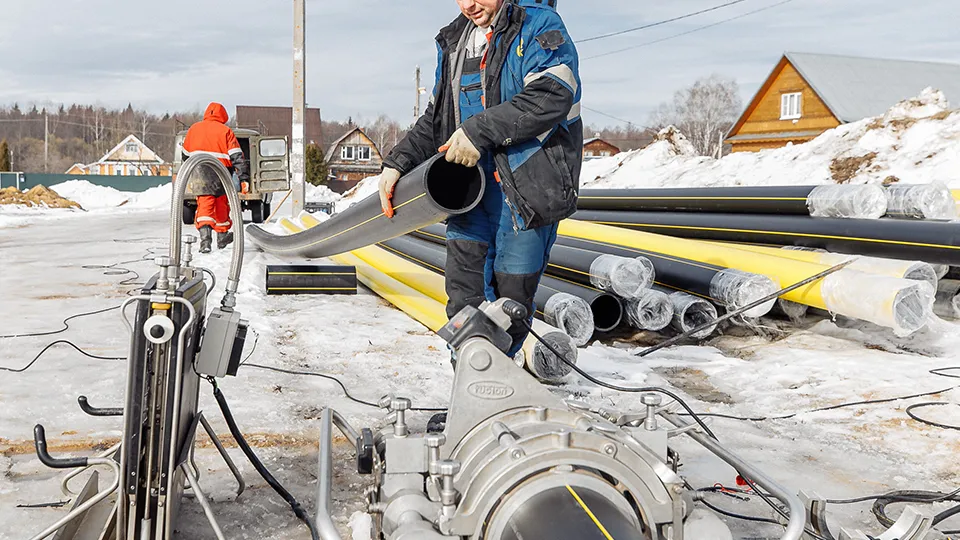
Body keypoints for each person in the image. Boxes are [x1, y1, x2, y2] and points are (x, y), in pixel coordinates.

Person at [379, 0, 583, 360]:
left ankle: (496, 392)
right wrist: (397, 162)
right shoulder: (456, 40)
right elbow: (437, 117)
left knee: (509, 305)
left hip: (525, 196)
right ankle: (471, 393)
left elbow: (552, 94)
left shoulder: (538, 25)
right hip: (469, 197)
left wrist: (478, 132)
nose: (469, 4)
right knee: (463, 301)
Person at [181, 102, 249, 253]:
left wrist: (188, 172)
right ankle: (220, 237)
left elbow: (185, 155)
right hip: (221, 173)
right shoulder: (225, 131)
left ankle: (207, 241)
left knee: (205, 204)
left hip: (199, 172)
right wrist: (243, 178)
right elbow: (237, 156)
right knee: (221, 204)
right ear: (223, 115)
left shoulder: (194, 129)